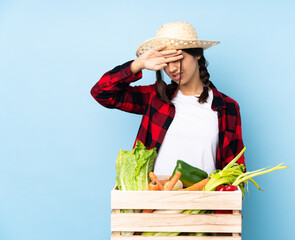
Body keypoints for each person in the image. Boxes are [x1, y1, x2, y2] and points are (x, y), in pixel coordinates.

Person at [91, 21, 245, 175]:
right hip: (155, 195)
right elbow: (101, 93)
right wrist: (138, 64)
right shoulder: (155, 98)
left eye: (178, 58)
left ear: (197, 54)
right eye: (165, 62)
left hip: (204, 197)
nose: (171, 69)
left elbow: (235, 168)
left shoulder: (227, 107)